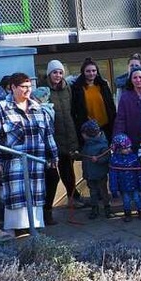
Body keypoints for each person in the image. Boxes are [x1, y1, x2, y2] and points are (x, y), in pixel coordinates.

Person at [0, 72, 59, 236]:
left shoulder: (37, 108)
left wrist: (54, 156)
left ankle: (34, 230)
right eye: (23, 87)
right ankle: (16, 232)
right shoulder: (1, 108)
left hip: (36, 161)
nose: (27, 90)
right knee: (16, 199)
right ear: (12, 87)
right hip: (14, 164)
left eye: (29, 86)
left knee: (35, 197)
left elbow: (48, 134)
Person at [45, 60, 81, 219]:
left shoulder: (68, 89)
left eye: (60, 72)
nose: (58, 75)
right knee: (54, 172)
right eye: (54, 72)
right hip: (53, 136)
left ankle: (72, 197)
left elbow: (72, 112)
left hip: (69, 133)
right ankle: (48, 208)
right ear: (49, 74)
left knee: (69, 169)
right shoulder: (44, 90)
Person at [71, 58, 116, 141]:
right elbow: (75, 110)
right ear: (83, 72)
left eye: (93, 70)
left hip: (106, 127)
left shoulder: (103, 85)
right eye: (88, 71)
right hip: (89, 130)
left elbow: (111, 106)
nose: (91, 73)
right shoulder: (77, 88)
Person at [77, 120, 111, 220]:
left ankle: (107, 208)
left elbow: (106, 158)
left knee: (103, 191)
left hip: (100, 174)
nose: (82, 135)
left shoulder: (103, 145)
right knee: (93, 192)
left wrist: (98, 160)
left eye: (84, 134)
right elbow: (84, 155)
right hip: (89, 174)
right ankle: (94, 208)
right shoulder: (87, 144)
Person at [109, 133, 141, 221]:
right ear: (118, 149)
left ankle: (140, 211)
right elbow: (113, 176)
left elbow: (139, 172)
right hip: (123, 186)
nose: (128, 149)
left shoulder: (134, 158)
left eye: (129, 147)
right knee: (126, 200)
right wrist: (113, 189)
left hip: (135, 184)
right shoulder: (115, 160)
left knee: (137, 198)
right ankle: (127, 213)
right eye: (125, 148)